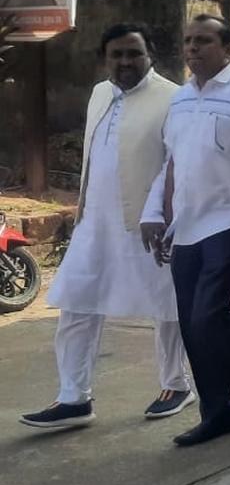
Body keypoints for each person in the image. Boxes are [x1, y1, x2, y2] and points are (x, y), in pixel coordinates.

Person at [20, 23, 194, 430]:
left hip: (147, 222)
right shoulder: (100, 93)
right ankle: (73, 397)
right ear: (105, 58)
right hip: (94, 221)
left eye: (134, 53)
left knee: (166, 306)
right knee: (77, 302)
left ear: (151, 54)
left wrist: (163, 214)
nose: (126, 62)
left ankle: (177, 384)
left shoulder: (173, 98)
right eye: (116, 54)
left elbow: (175, 164)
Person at [140, 15, 230, 446]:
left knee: (209, 313)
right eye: (187, 41)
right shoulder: (181, 101)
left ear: (229, 48)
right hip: (186, 225)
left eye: (202, 41)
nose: (192, 49)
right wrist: (161, 215)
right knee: (191, 323)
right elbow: (172, 164)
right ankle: (216, 411)